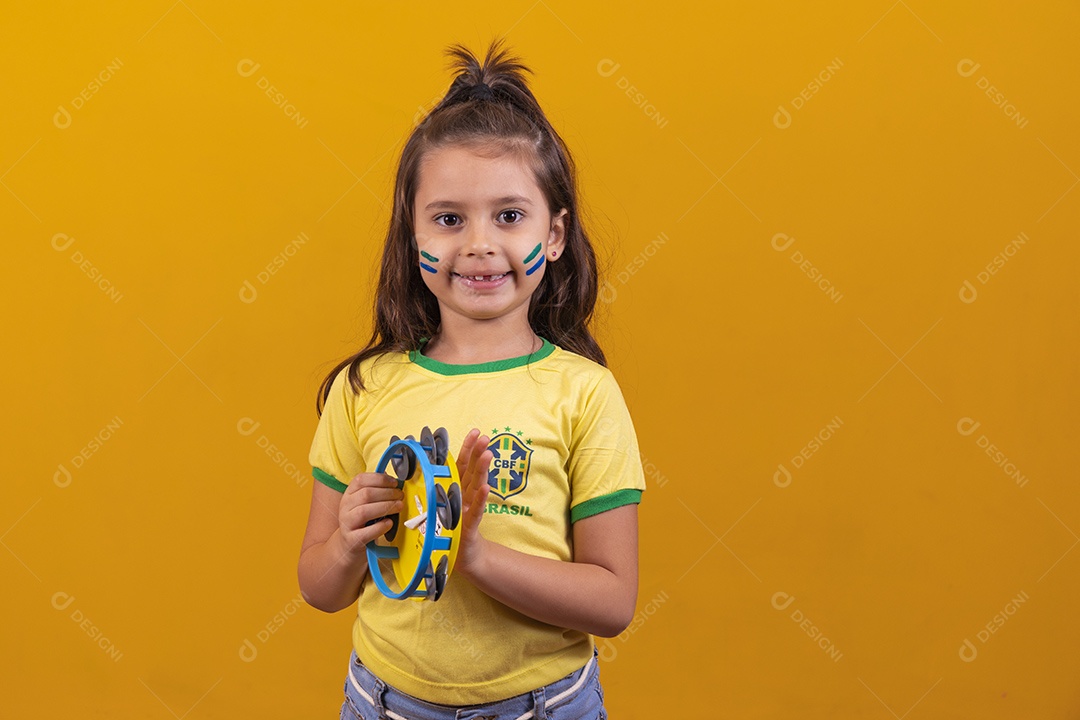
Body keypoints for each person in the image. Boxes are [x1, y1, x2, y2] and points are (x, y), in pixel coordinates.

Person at [297, 37, 646, 720]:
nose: (479, 244)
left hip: (544, 704)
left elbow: (613, 602)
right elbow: (318, 587)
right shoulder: (365, 387)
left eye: (509, 216)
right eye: (449, 219)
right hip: (384, 700)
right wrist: (346, 541)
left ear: (554, 234)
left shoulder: (584, 393)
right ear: (412, 233)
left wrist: (476, 555)